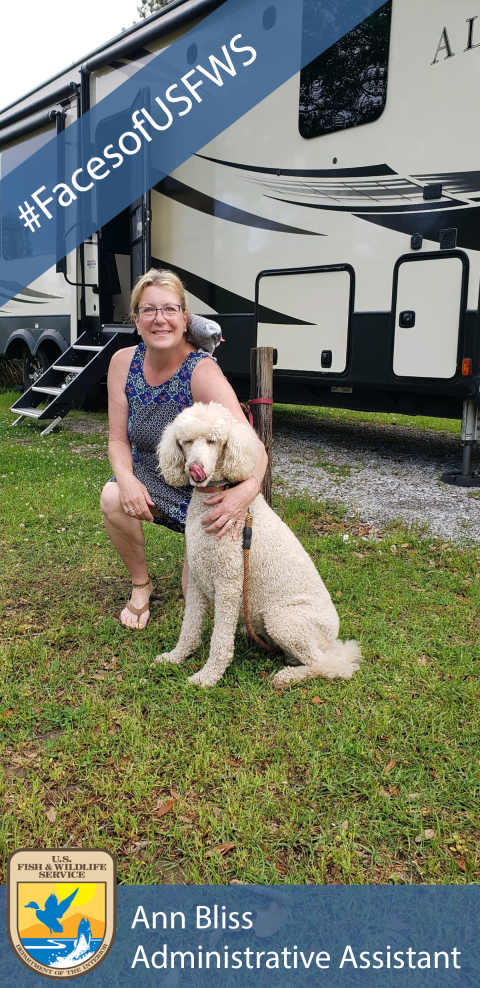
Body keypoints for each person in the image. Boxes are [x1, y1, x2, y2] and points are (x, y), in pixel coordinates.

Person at [100, 268, 268, 629]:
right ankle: (141, 586)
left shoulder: (201, 371)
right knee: (112, 497)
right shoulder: (121, 363)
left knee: (198, 601)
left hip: (201, 485)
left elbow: (255, 447)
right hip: (151, 471)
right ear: (136, 318)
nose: (160, 319)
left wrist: (246, 493)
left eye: (170, 309)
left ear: (184, 317)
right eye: (149, 310)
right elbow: (117, 439)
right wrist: (126, 480)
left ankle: (194, 556)